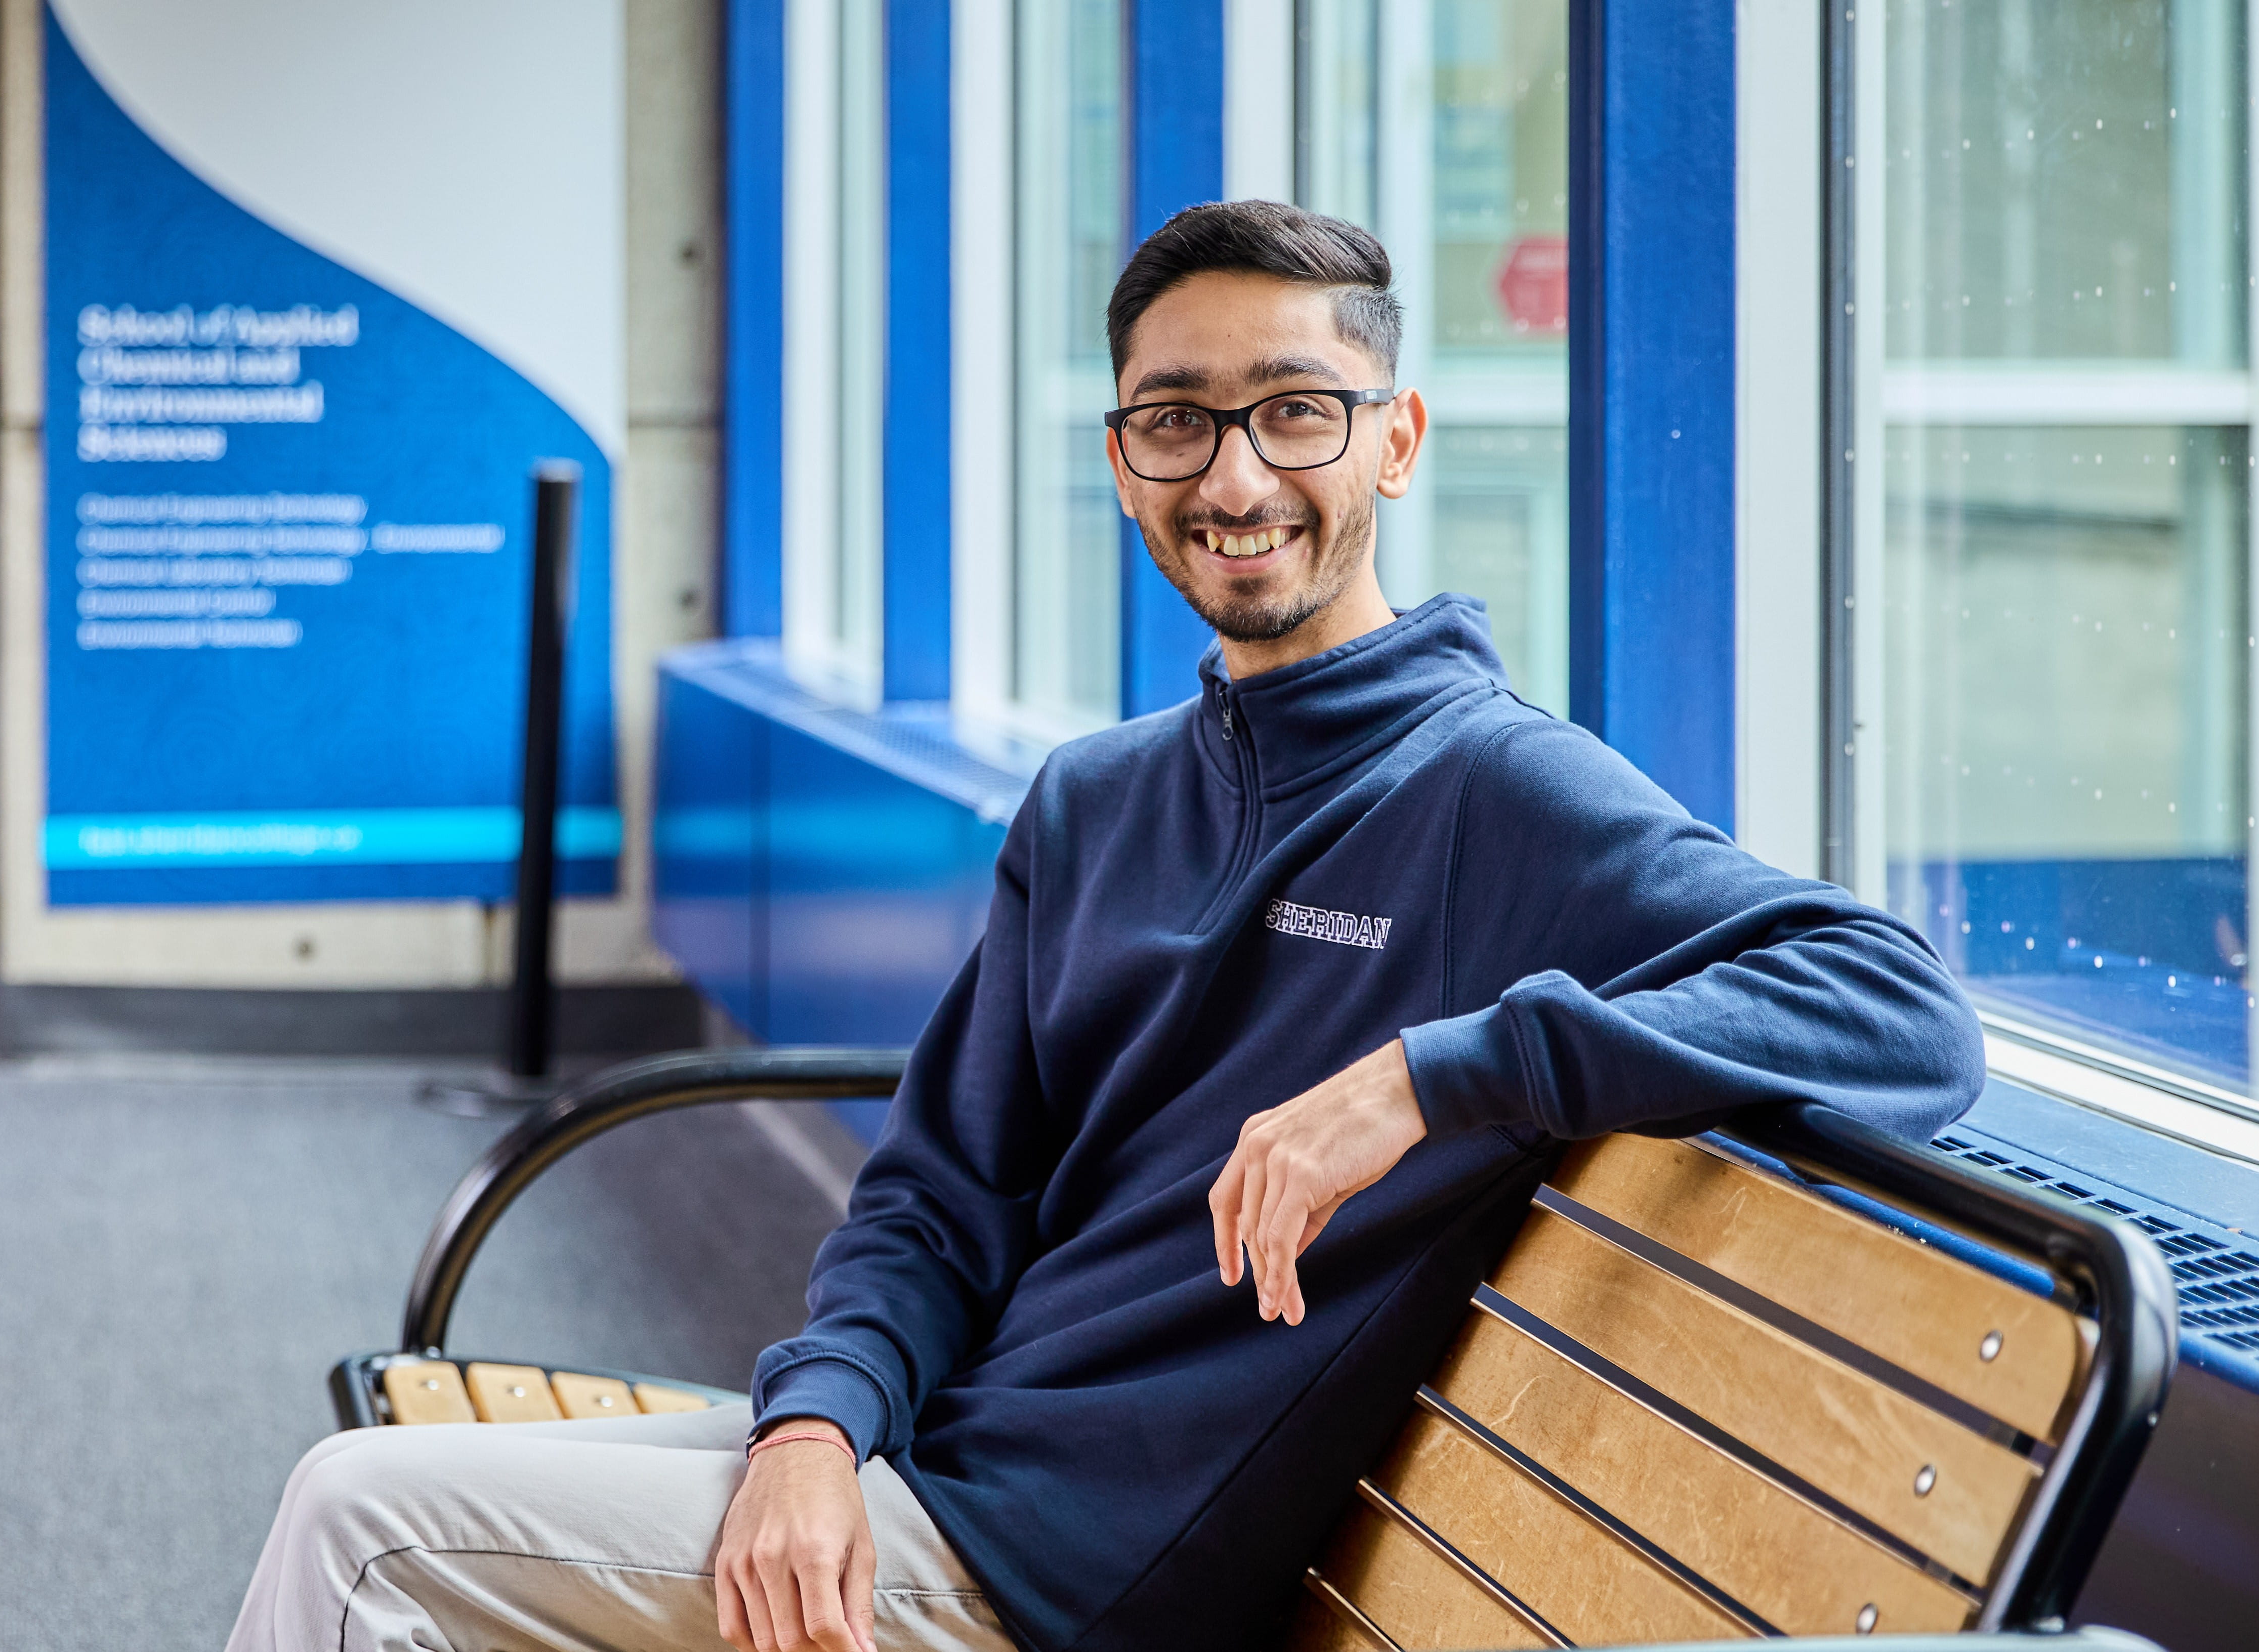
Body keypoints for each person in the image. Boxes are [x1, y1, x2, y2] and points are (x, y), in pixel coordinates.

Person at [222, 200, 1983, 1652]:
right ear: (1125, 456)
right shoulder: (1094, 798)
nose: (1234, 478)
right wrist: (816, 1424)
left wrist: (1435, 1078)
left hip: (1060, 1580)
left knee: (364, 1529)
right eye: (1175, 419)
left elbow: (1901, 1012)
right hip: (933, 1461)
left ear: (1396, 436)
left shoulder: (1496, 793)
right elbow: (936, 1191)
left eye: (1294, 410)